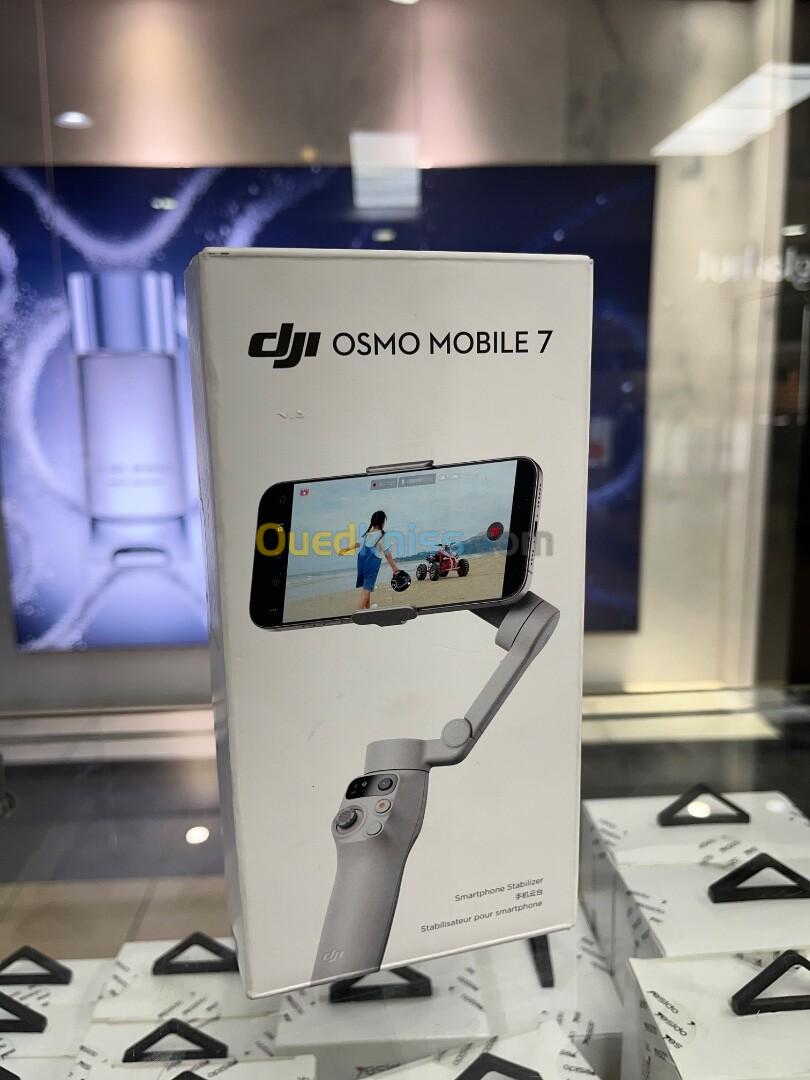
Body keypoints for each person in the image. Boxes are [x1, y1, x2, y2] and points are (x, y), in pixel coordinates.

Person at [339, 510, 401, 611]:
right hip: (371, 565)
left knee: (366, 588)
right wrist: (394, 568)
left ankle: (367, 610)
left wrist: (345, 550)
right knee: (365, 592)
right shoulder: (382, 536)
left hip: (361, 564)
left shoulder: (367, 534)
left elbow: (357, 544)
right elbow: (387, 553)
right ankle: (357, 614)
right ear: (382, 522)